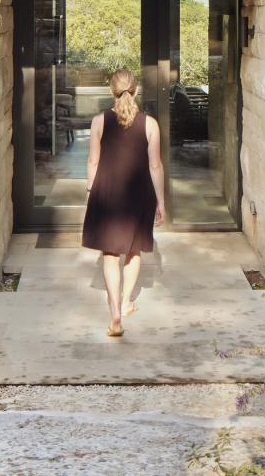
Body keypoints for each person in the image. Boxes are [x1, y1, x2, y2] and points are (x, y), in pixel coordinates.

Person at [81, 66, 165, 337]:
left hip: (107, 192)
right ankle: (127, 302)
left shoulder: (99, 121)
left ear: (111, 91)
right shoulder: (150, 124)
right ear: (136, 89)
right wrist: (161, 202)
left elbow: (93, 161)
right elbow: (155, 166)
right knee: (134, 251)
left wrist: (89, 190)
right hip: (139, 194)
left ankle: (114, 311)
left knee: (109, 254)